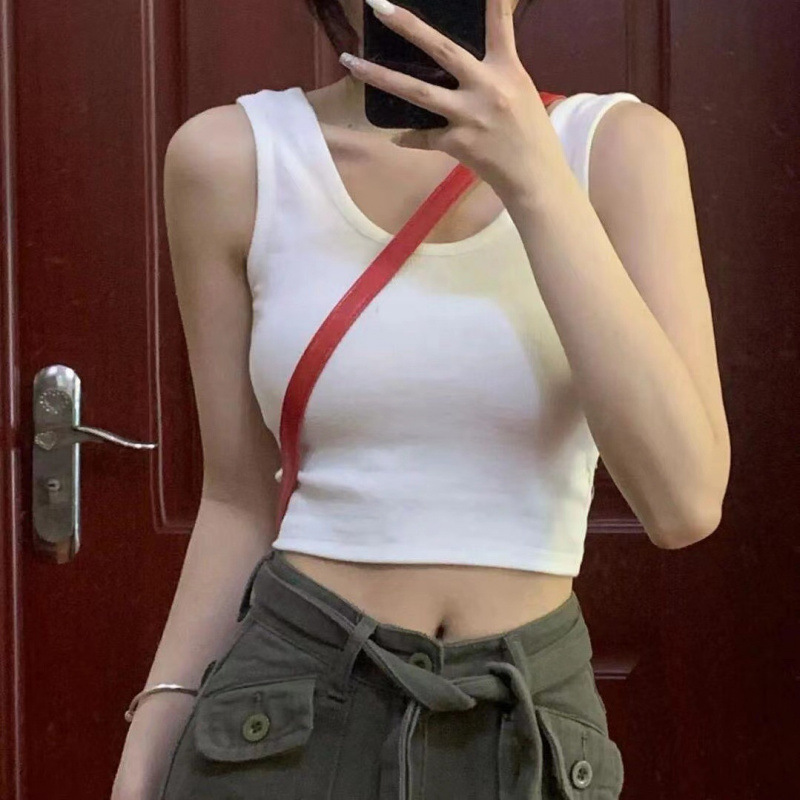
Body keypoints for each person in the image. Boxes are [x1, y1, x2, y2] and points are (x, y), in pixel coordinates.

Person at [112, 0, 730, 797]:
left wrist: (535, 177)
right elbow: (236, 502)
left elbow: (683, 504)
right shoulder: (232, 158)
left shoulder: (618, 150)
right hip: (287, 707)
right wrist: (149, 747)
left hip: (527, 719)